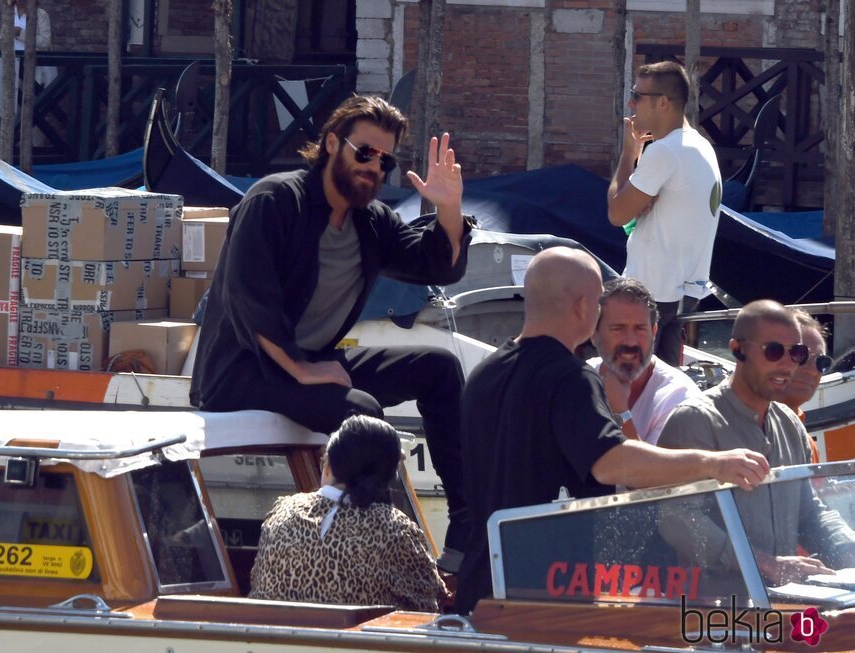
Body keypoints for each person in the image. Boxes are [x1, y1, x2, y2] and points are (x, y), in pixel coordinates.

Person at [189, 94, 473, 568]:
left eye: (385, 160)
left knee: (439, 368)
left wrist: (449, 208)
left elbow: (436, 264)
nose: (374, 167)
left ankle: (466, 526)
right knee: (360, 410)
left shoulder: (372, 223)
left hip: (310, 363)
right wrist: (301, 368)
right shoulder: (274, 200)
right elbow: (248, 298)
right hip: (243, 371)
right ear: (331, 144)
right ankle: (386, 552)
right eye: (364, 152)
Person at [454, 246, 770, 614]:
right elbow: (610, 461)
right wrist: (714, 463)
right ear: (584, 307)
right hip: (546, 595)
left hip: (480, 587)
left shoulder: (481, 374)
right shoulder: (572, 378)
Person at [658, 300, 855, 585]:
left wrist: (849, 551)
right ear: (737, 349)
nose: (787, 364)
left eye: (797, 353)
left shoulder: (789, 424)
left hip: (783, 604)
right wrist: (764, 563)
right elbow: (676, 519)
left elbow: (810, 513)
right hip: (715, 611)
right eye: (774, 351)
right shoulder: (695, 420)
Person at [249, 415, 447, 610]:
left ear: (328, 466)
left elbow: (257, 582)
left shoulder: (281, 512)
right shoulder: (395, 530)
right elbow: (428, 604)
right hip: (359, 641)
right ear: (388, 476)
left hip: (274, 637)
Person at [607, 61, 722, 367]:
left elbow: (617, 213)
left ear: (663, 102)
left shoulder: (664, 152)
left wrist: (629, 153)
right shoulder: (701, 146)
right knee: (664, 388)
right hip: (683, 294)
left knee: (631, 386)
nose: (631, 103)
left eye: (637, 95)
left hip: (651, 294)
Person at [589, 277, 701, 445]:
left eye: (640, 328)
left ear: (654, 331)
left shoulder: (680, 398)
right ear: (594, 333)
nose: (631, 341)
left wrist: (620, 412)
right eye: (618, 329)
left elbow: (656, 471)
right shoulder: (580, 379)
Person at [782, 309, 833, 462]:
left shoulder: (806, 441)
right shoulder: (739, 429)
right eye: (800, 355)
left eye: (821, 362)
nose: (812, 370)